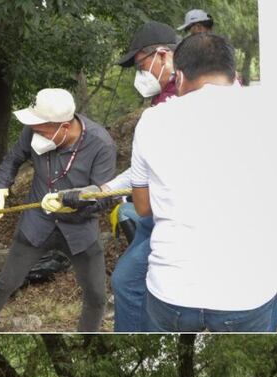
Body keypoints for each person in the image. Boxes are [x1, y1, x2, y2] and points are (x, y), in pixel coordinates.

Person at [127, 33, 277, 332]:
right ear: (234, 75)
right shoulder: (275, 107)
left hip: (172, 291)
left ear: (179, 77)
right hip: (245, 293)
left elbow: (142, 207)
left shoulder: (152, 121)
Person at [0, 89, 117, 331]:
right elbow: (13, 159)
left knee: (96, 294)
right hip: (36, 224)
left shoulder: (101, 144)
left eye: (41, 130)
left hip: (80, 230)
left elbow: (105, 196)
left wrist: (72, 202)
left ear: (63, 127)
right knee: (7, 280)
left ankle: (88, 335)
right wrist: (0, 190)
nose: (35, 133)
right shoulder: (33, 130)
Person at [93, 21, 181, 332]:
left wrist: (106, 189)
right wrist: (103, 189)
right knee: (130, 280)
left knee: (128, 281)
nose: (138, 75)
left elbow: (149, 174)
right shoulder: (162, 99)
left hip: (169, 214)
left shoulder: (179, 101)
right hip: (153, 213)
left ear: (162, 55)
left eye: (140, 65)